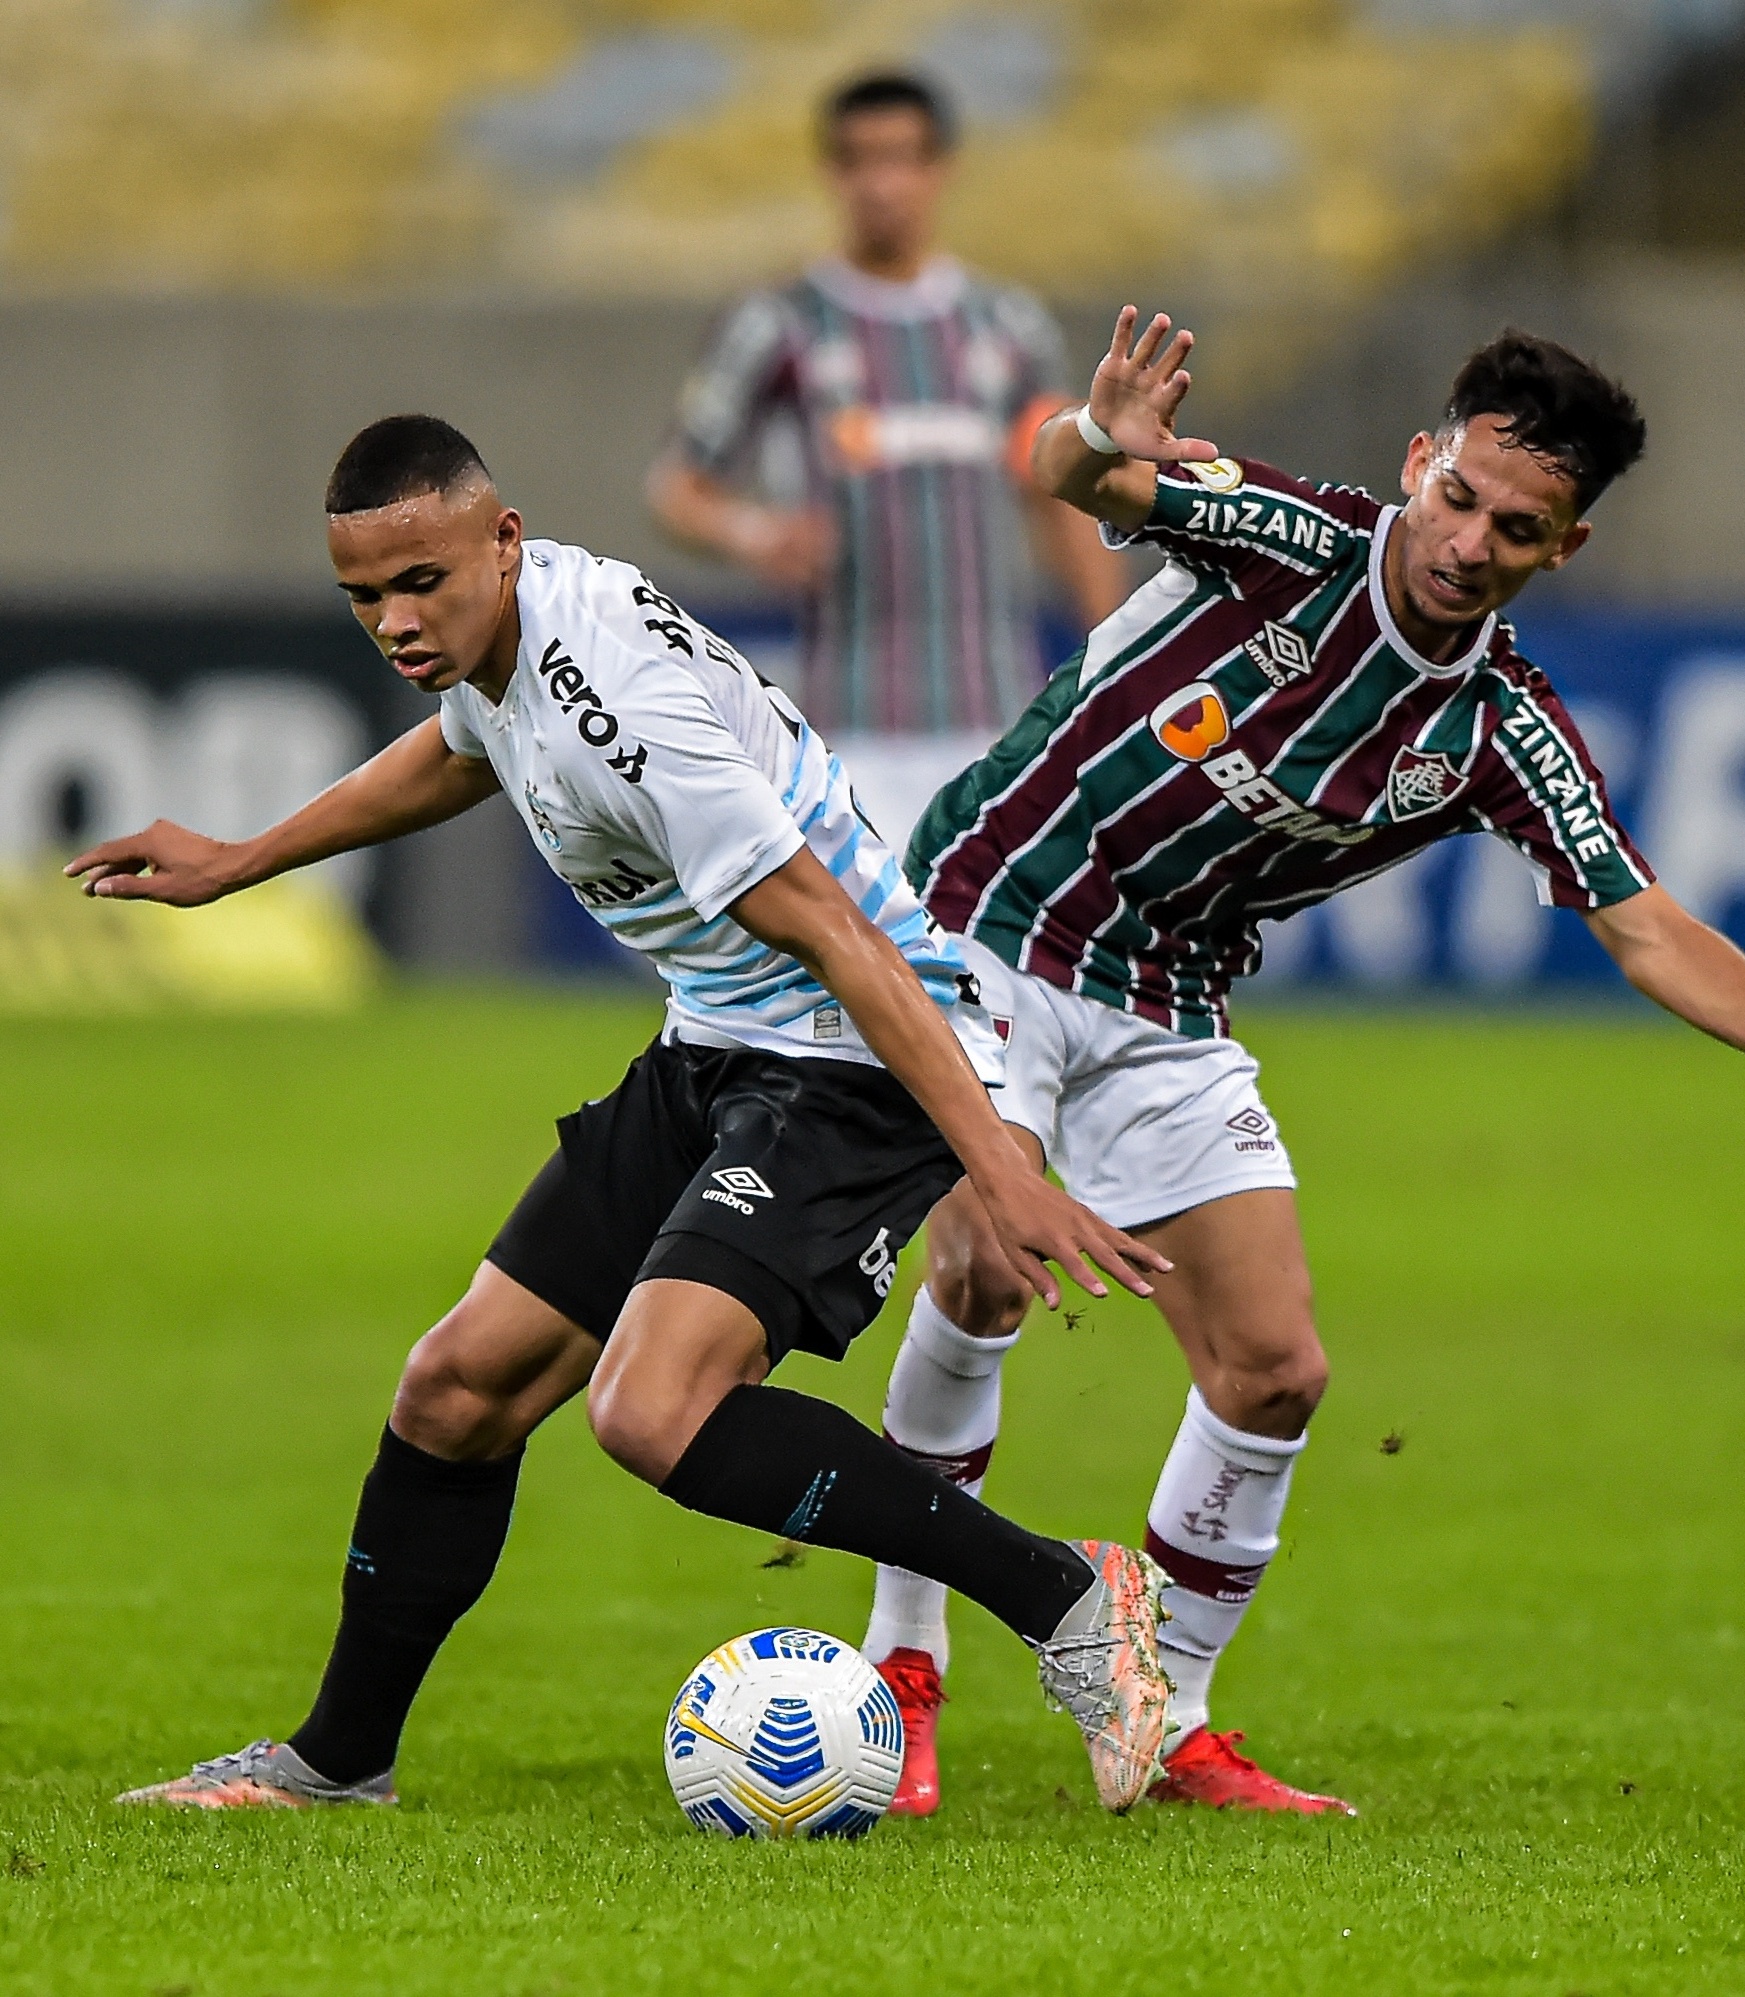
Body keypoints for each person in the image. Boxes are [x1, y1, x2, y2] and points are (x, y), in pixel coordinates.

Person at [860, 307, 1745, 1817]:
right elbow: (1088, 483)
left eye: (1515, 526)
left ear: (1563, 548)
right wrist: (1097, 434)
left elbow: (1643, 923)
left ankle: (1166, 1722)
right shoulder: (1292, 539)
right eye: (1457, 496)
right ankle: (904, 1661)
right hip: (986, 922)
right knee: (990, 1265)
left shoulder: (1499, 728)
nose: (1467, 540)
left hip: (1165, 998)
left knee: (1275, 1371)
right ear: (1420, 462)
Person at [70, 414, 1175, 1816]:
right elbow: (462, 749)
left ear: (505, 538)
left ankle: (1068, 1593)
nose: (398, 624)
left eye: (423, 584)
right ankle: (335, 1764)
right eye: (367, 598)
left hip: (853, 1056)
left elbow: (842, 935)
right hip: (720, 1041)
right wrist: (247, 859)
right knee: (456, 1390)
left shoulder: (625, 709)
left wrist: (996, 1165)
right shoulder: (505, 638)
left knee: (652, 1408)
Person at [648, 70, 1127, 738]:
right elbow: (678, 487)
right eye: (859, 161)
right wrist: (752, 532)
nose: (881, 185)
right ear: (830, 172)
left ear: (942, 169)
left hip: (995, 718)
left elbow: (1065, 502)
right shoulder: (780, 323)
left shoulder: (1009, 326)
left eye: (901, 159)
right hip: (849, 728)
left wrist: (1115, 663)